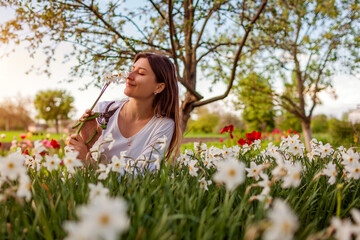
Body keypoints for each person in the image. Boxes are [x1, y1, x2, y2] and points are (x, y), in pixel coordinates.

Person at [69, 52, 182, 170]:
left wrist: (87, 161)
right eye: (132, 69)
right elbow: (78, 169)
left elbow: (141, 173)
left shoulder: (163, 125)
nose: (129, 75)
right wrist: (88, 145)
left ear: (159, 87)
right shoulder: (102, 111)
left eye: (141, 73)